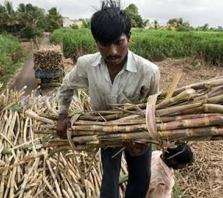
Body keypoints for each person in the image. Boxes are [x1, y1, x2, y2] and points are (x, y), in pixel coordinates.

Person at [56, 1, 160, 198]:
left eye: (119, 42)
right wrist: (63, 113)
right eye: (104, 44)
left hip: (138, 132)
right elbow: (66, 86)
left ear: (129, 38)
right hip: (104, 129)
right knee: (109, 178)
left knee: (141, 178)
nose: (112, 52)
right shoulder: (86, 65)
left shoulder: (149, 71)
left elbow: (153, 109)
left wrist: (145, 141)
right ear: (96, 41)